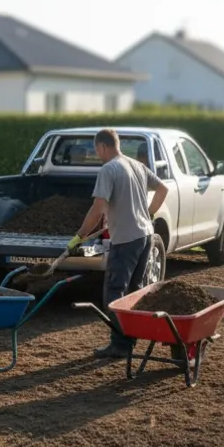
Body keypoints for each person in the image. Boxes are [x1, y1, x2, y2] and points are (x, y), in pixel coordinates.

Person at [69, 128, 169, 358]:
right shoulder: (136, 165)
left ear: (102, 146)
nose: (98, 155)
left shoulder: (109, 169)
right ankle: (130, 339)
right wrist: (148, 213)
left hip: (125, 240)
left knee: (114, 293)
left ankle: (120, 344)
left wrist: (79, 236)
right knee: (133, 291)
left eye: (97, 150)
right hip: (145, 236)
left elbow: (97, 209)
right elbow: (163, 189)